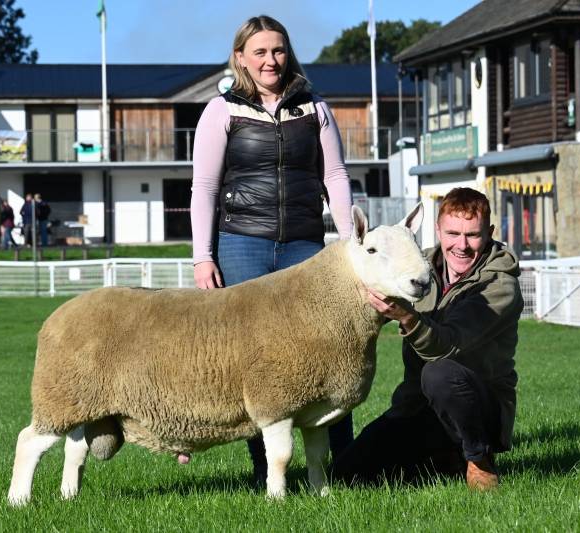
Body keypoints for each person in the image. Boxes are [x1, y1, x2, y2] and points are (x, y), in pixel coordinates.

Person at [189, 15, 355, 485]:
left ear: (289, 53)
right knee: (255, 361)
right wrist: (204, 256)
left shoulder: (315, 107)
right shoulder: (221, 111)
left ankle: (343, 464)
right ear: (240, 57)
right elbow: (203, 188)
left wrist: (349, 243)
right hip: (242, 246)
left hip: (306, 247)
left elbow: (335, 177)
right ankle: (267, 469)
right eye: (259, 52)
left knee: (329, 355)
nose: (270, 60)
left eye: (278, 50)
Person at [332, 187, 524, 491]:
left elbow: (448, 345)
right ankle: (443, 459)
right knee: (346, 475)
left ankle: (479, 458)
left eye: (472, 235)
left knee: (440, 372)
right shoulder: (417, 270)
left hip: (480, 408)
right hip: (418, 407)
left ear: (489, 232)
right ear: (437, 229)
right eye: (452, 233)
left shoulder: (499, 287)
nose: (461, 245)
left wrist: (407, 317)